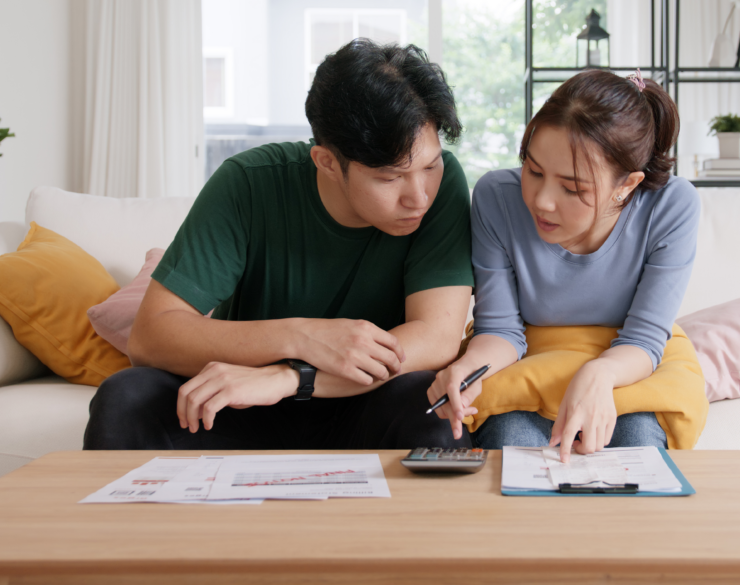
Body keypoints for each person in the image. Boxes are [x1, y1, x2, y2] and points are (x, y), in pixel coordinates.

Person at [84, 39, 475, 451]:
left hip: (360, 401)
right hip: (241, 402)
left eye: (429, 166)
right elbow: (151, 337)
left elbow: (435, 338)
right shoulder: (249, 183)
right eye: (390, 177)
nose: (419, 196)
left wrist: (293, 377)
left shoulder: (444, 185)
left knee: (430, 409)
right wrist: (301, 337)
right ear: (326, 162)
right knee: (126, 397)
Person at [427, 68, 701, 461]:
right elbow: (502, 330)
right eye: (533, 170)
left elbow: (644, 338)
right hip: (531, 363)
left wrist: (599, 374)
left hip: (631, 363)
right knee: (511, 442)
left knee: (637, 444)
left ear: (627, 185)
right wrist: (467, 369)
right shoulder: (497, 198)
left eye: (572, 188)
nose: (541, 201)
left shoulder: (672, 206)